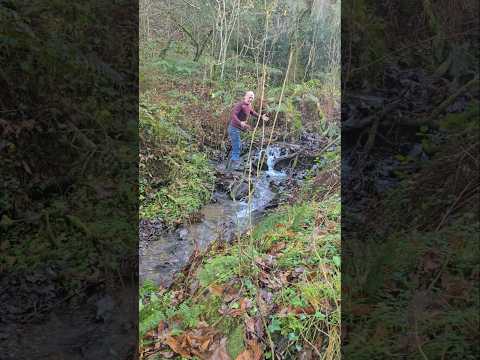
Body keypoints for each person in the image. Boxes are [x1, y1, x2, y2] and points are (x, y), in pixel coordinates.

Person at [227, 91, 269, 170]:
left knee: (237, 146)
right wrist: (240, 123)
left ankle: (228, 167)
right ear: (245, 96)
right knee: (238, 146)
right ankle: (233, 166)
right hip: (233, 128)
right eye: (249, 97)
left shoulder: (249, 105)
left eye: (252, 98)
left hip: (238, 129)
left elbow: (252, 112)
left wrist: (261, 117)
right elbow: (233, 115)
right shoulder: (240, 104)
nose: (250, 99)